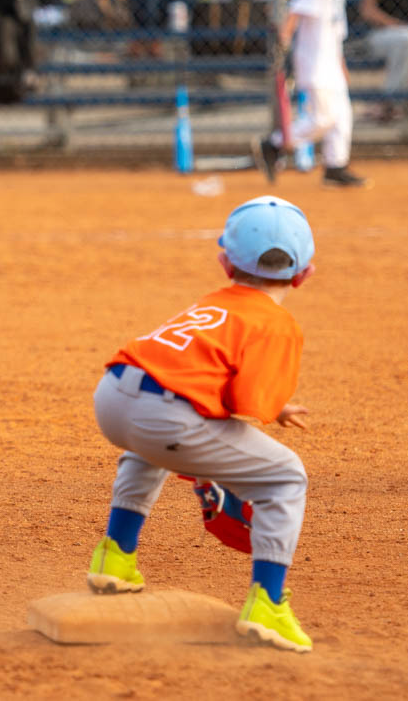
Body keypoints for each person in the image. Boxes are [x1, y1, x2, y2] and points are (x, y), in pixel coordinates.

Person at [85, 195, 317, 652]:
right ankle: (268, 604)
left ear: (225, 264)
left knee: (146, 449)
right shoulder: (277, 322)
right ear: (304, 274)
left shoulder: (212, 303)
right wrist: (269, 410)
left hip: (112, 397)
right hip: (166, 417)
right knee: (286, 477)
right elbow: (247, 402)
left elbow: (194, 367)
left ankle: (114, 557)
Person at [253, 0, 374, 188]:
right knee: (322, 119)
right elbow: (295, 13)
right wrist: (282, 44)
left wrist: (342, 66)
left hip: (331, 64)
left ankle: (335, 166)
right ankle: (273, 145)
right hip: (316, 65)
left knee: (342, 117)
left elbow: (335, 35)